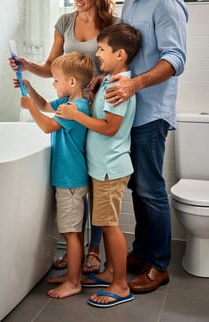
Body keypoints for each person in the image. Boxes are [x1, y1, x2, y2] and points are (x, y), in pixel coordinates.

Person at [10, 0, 119, 273]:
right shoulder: (65, 22)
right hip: (71, 106)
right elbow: (51, 65)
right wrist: (27, 67)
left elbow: (117, 67)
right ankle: (75, 248)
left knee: (96, 182)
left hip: (95, 111)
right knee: (79, 186)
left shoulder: (112, 24)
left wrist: (101, 86)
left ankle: (93, 249)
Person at [104, 0, 187, 294]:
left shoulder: (166, 2)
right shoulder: (133, 2)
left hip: (152, 113)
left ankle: (159, 265)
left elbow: (176, 59)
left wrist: (134, 86)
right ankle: (141, 252)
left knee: (152, 190)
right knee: (138, 187)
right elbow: (129, 55)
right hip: (131, 112)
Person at [56, 23, 141, 308]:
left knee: (109, 224)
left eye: (102, 49)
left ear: (120, 54)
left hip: (110, 167)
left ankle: (120, 285)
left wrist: (75, 116)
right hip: (100, 166)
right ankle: (108, 272)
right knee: (104, 223)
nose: (97, 53)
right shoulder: (108, 80)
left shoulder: (118, 87)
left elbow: (109, 128)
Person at [19, 51, 93, 299]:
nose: (53, 83)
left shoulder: (76, 107)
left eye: (56, 80)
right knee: (73, 231)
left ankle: (73, 282)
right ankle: (74, 274)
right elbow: (45, 106)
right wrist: (29, 89)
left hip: (70, 180)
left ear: (72, 82)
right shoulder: (66, 103)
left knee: (70, 233)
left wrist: (29, 108)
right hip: (70, 178)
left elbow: (47, 125)